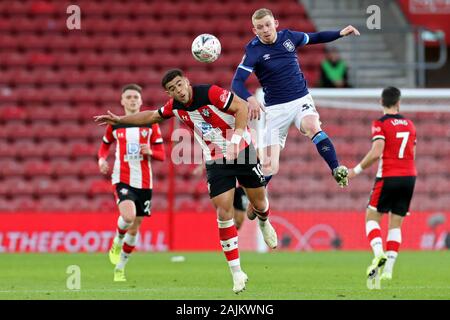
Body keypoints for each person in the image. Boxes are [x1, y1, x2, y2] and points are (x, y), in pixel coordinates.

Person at [95, 69, 278, 294]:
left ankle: (263, 221)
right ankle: (237, 272)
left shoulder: (210, 93)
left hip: (243, 150)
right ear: (168, 92)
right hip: (215, 159)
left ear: (187, 82)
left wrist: (236, 139)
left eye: (179, 85)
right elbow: (151, 115)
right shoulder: (174, 106)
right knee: (223, 212)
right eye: (172, 89)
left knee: (259, 203)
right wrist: (120, 120)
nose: (178, 91)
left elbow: (240, 107)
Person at [231, 8, 360, 191]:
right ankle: (251, 200)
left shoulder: (289, 37)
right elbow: (236, 83)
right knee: (270, 166)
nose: (265, 30)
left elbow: (316, 37)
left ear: (275, 23)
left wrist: (340, 33)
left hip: (301, 99)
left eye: (268, 25)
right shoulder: (253, 51)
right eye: (260, 27)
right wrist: (250, 98)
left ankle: (336, 168)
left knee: (312, 125)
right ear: (255, 30)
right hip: (275, 109)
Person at [97, 84, 166, 282]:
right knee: (128, 216)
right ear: (122, 101)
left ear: (141, 101)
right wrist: (102, 160)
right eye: (129, 97)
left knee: (135, 228)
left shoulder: (151, 125)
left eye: (136, 96)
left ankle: (120, 268)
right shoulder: (115, 124)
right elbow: (104, 147)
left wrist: (150, 152)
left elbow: (162, 154)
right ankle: (117, 241)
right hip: (122, 177)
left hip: (145, 182)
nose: (133, 99)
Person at [348, 87, 417, 281]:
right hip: (409, 176)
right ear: (398, 102)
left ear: (381, 102)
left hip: (389, 176)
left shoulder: (380, 124)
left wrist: (356, 170)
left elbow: (377, 151)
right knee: (396, 224)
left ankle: (378, 253)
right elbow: (413, 153)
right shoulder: (410, 124)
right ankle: (388, 272)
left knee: (371, 217)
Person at [193, 164, 248, 230]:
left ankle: (231, 235)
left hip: (240, 187)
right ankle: (229, 236)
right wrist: (201, 167)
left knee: (239, 221)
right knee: (225, 215)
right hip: (225, 183)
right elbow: (211, 156)